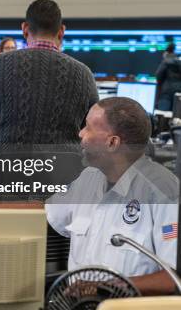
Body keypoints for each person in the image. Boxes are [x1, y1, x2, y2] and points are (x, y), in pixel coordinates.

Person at [46, 97, 178, 295]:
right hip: (76, 304)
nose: (80, 134)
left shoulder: (164, 194)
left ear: (112, 143)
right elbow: (48, 213)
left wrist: (106, 287)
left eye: (88, 127)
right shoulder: (88, 178)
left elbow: (172, 279)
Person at [0, 0, 99, 148]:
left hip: (3, 168)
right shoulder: (83, 74)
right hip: (64, 170)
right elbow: (95, 132)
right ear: (61, 31)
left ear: (24, 29)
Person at [155, 46, 181, 111]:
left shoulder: (165, 61)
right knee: (177, 115)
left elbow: (158, 75)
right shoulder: (179, 61)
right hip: (179, 92)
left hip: (166, 93)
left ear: (166, 52)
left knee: (162, 114)